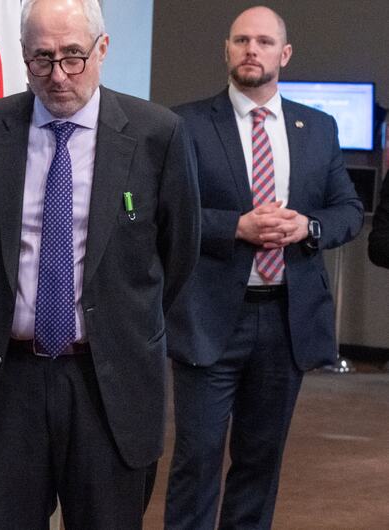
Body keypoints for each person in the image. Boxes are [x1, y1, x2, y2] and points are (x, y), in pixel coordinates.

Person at [0, 0, 200, 527]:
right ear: (24, 56)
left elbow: (177, 256)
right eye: (42, 59)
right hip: (9, 384)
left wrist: (119, 316)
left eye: (72, 56)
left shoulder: (158, 135)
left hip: (109, 383)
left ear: (102, 49)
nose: (58, 75)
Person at [163, 7, 363, 529]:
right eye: (242, 40)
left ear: (284, 54)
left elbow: (345, 209)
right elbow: (165, 215)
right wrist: (236, 228)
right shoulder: (184, 125)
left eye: (265, 42)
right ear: (227, 50)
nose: (253, 50)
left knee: (261, 461)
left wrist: (307, 228)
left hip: (285, 321)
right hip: (209, 319)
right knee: (198, 457)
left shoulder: (317, 128)